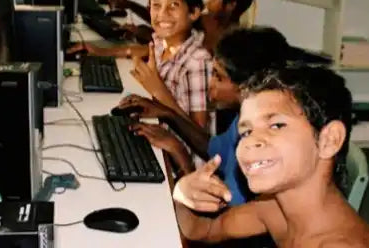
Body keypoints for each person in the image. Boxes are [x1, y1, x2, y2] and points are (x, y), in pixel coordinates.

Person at [172, 66, 369, 248]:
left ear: (329, 140)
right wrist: (182, 194)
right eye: (246, 132)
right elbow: (206, 231)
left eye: (276, 125)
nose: (251, 141)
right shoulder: (274, 207)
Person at [122, 27, 291, 199]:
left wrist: (179, 153)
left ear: (247, 86)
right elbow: (213, 148)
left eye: (218, 77)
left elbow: (218, 218)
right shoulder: (244, 117)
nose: (210, 84)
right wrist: (168, 115)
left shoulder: (258, 148)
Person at [69, 0, 212, 128]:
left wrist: (158, 91)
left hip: (177, 148)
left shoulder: (196, 61)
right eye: (156, 5)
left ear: (194, 13)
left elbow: (201, 136)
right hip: (161, 131)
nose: (162, 14)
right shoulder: (164, 39)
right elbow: (143, 50)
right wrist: (101, 51)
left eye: (173, 5)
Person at [110, 0, 254, 52]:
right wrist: (130, 5)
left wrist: (145, 35)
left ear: (230, 5)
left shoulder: (234, 41)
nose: (208, 1)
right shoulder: (207, 20)